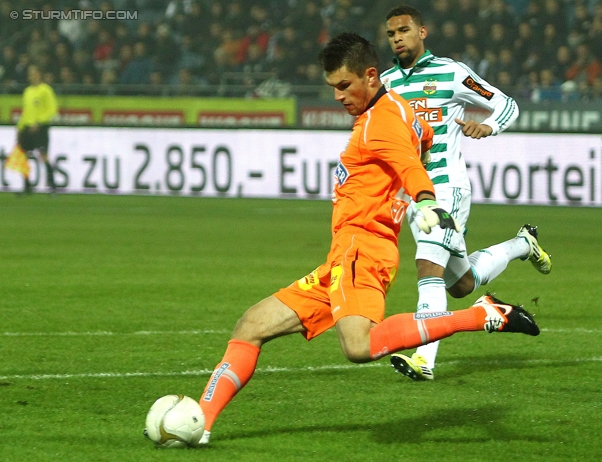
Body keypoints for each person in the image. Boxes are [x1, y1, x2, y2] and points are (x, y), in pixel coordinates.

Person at [195, 32, 540, 446]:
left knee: (359, 347)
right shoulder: (399, 110)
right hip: (342, 256)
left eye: (345, 85)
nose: (338, 96)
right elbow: (422, 146)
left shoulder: (381, 122)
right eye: (332, 88)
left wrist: (425, 199)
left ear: (371, 76)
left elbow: (409, 164)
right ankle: (200, 422)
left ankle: (485, 314)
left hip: (363, 250)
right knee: (251, 325)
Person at [381, 6, 551, 381]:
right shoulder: (388, 83)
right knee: (460, 284)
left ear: (422, 32)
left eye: (404, 30)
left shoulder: (452, 72)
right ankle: (523, 244)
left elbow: (507, 104)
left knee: (427, 267)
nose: (397, 38)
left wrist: (487, 127)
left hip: (446, 189)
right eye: (392, 33)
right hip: (414, 196)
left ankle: (424, 358)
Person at [16, 64, 58, 194]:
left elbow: (52, 109)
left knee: (43, 155)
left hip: (40, 128)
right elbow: (25, 112)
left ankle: (52, 186)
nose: (31, 75)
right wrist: (20, 128)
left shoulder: (46, 90)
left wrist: (39, 123)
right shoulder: (27, 91)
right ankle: (27, 186)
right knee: (22, 156)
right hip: (27, 128)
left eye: (33, 72)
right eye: (30, 73)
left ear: (39, 74)